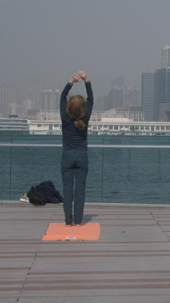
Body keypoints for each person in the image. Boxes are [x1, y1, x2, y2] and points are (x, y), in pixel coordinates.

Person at [60, 70, 93, 226]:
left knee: (67, 190)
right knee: (80, 191)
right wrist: (87, 81)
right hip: (82, 157)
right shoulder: (85, 118)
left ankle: (68, 221)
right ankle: (78, 221)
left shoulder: (65, 119)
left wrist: (70, 82)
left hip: (67, 157)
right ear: (84, 109)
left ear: (68, 108)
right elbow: (91, 100)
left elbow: (62, 98)